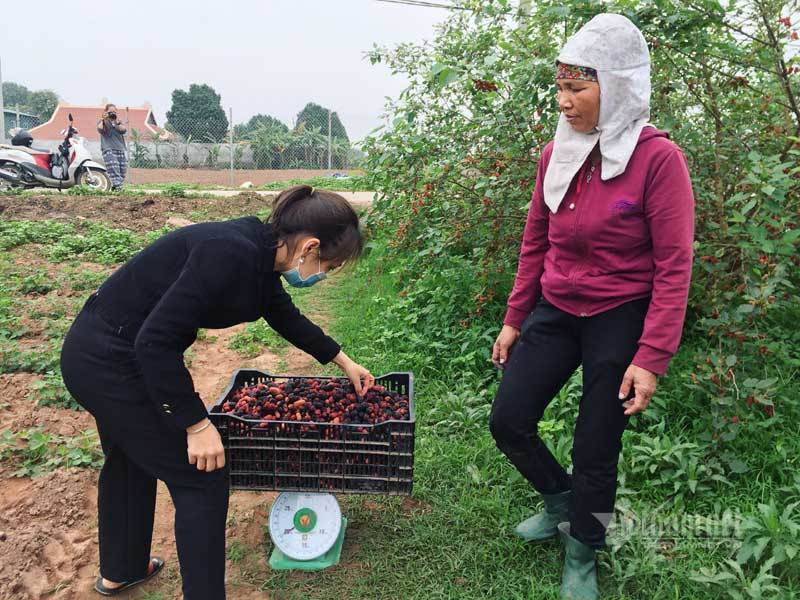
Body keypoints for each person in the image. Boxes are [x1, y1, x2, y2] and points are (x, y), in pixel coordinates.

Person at [60, 186, 374, 599]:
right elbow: (155, 342)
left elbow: (283, 315)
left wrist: (343, 361)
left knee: (132, 456)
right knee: (202, 475)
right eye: (328, 266)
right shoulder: (229, 253)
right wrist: (194, 423)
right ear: (309, 246)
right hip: (109, 359)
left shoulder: (259, 254)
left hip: (104, 349)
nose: (323, 275)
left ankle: (123, 569)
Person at [488, 14, 694, 600]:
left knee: (597, 446)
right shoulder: (558, 153)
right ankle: (560, 501)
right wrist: (514, 319)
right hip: (557, 307)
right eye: (560, 88)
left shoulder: (658, 161)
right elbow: (535, 241)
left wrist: (652, 357)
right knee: (508, 419)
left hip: (619, 316)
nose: (564, 101)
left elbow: (675, 266)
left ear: (619, 85)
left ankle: (584, 552)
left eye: (577, 88)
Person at [97, 103, 128, 191]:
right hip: (108, 148)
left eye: (114, 111)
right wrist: (103, 119)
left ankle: (115, 187)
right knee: (114, 168)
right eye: (110, 112)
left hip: (120, 148)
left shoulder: (117, 121)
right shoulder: (102, 121)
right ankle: (118, 187)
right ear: (106, 112)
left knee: (122, 170)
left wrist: (116, 123)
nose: (112, 113)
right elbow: (100, 129)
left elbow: (123, 130)